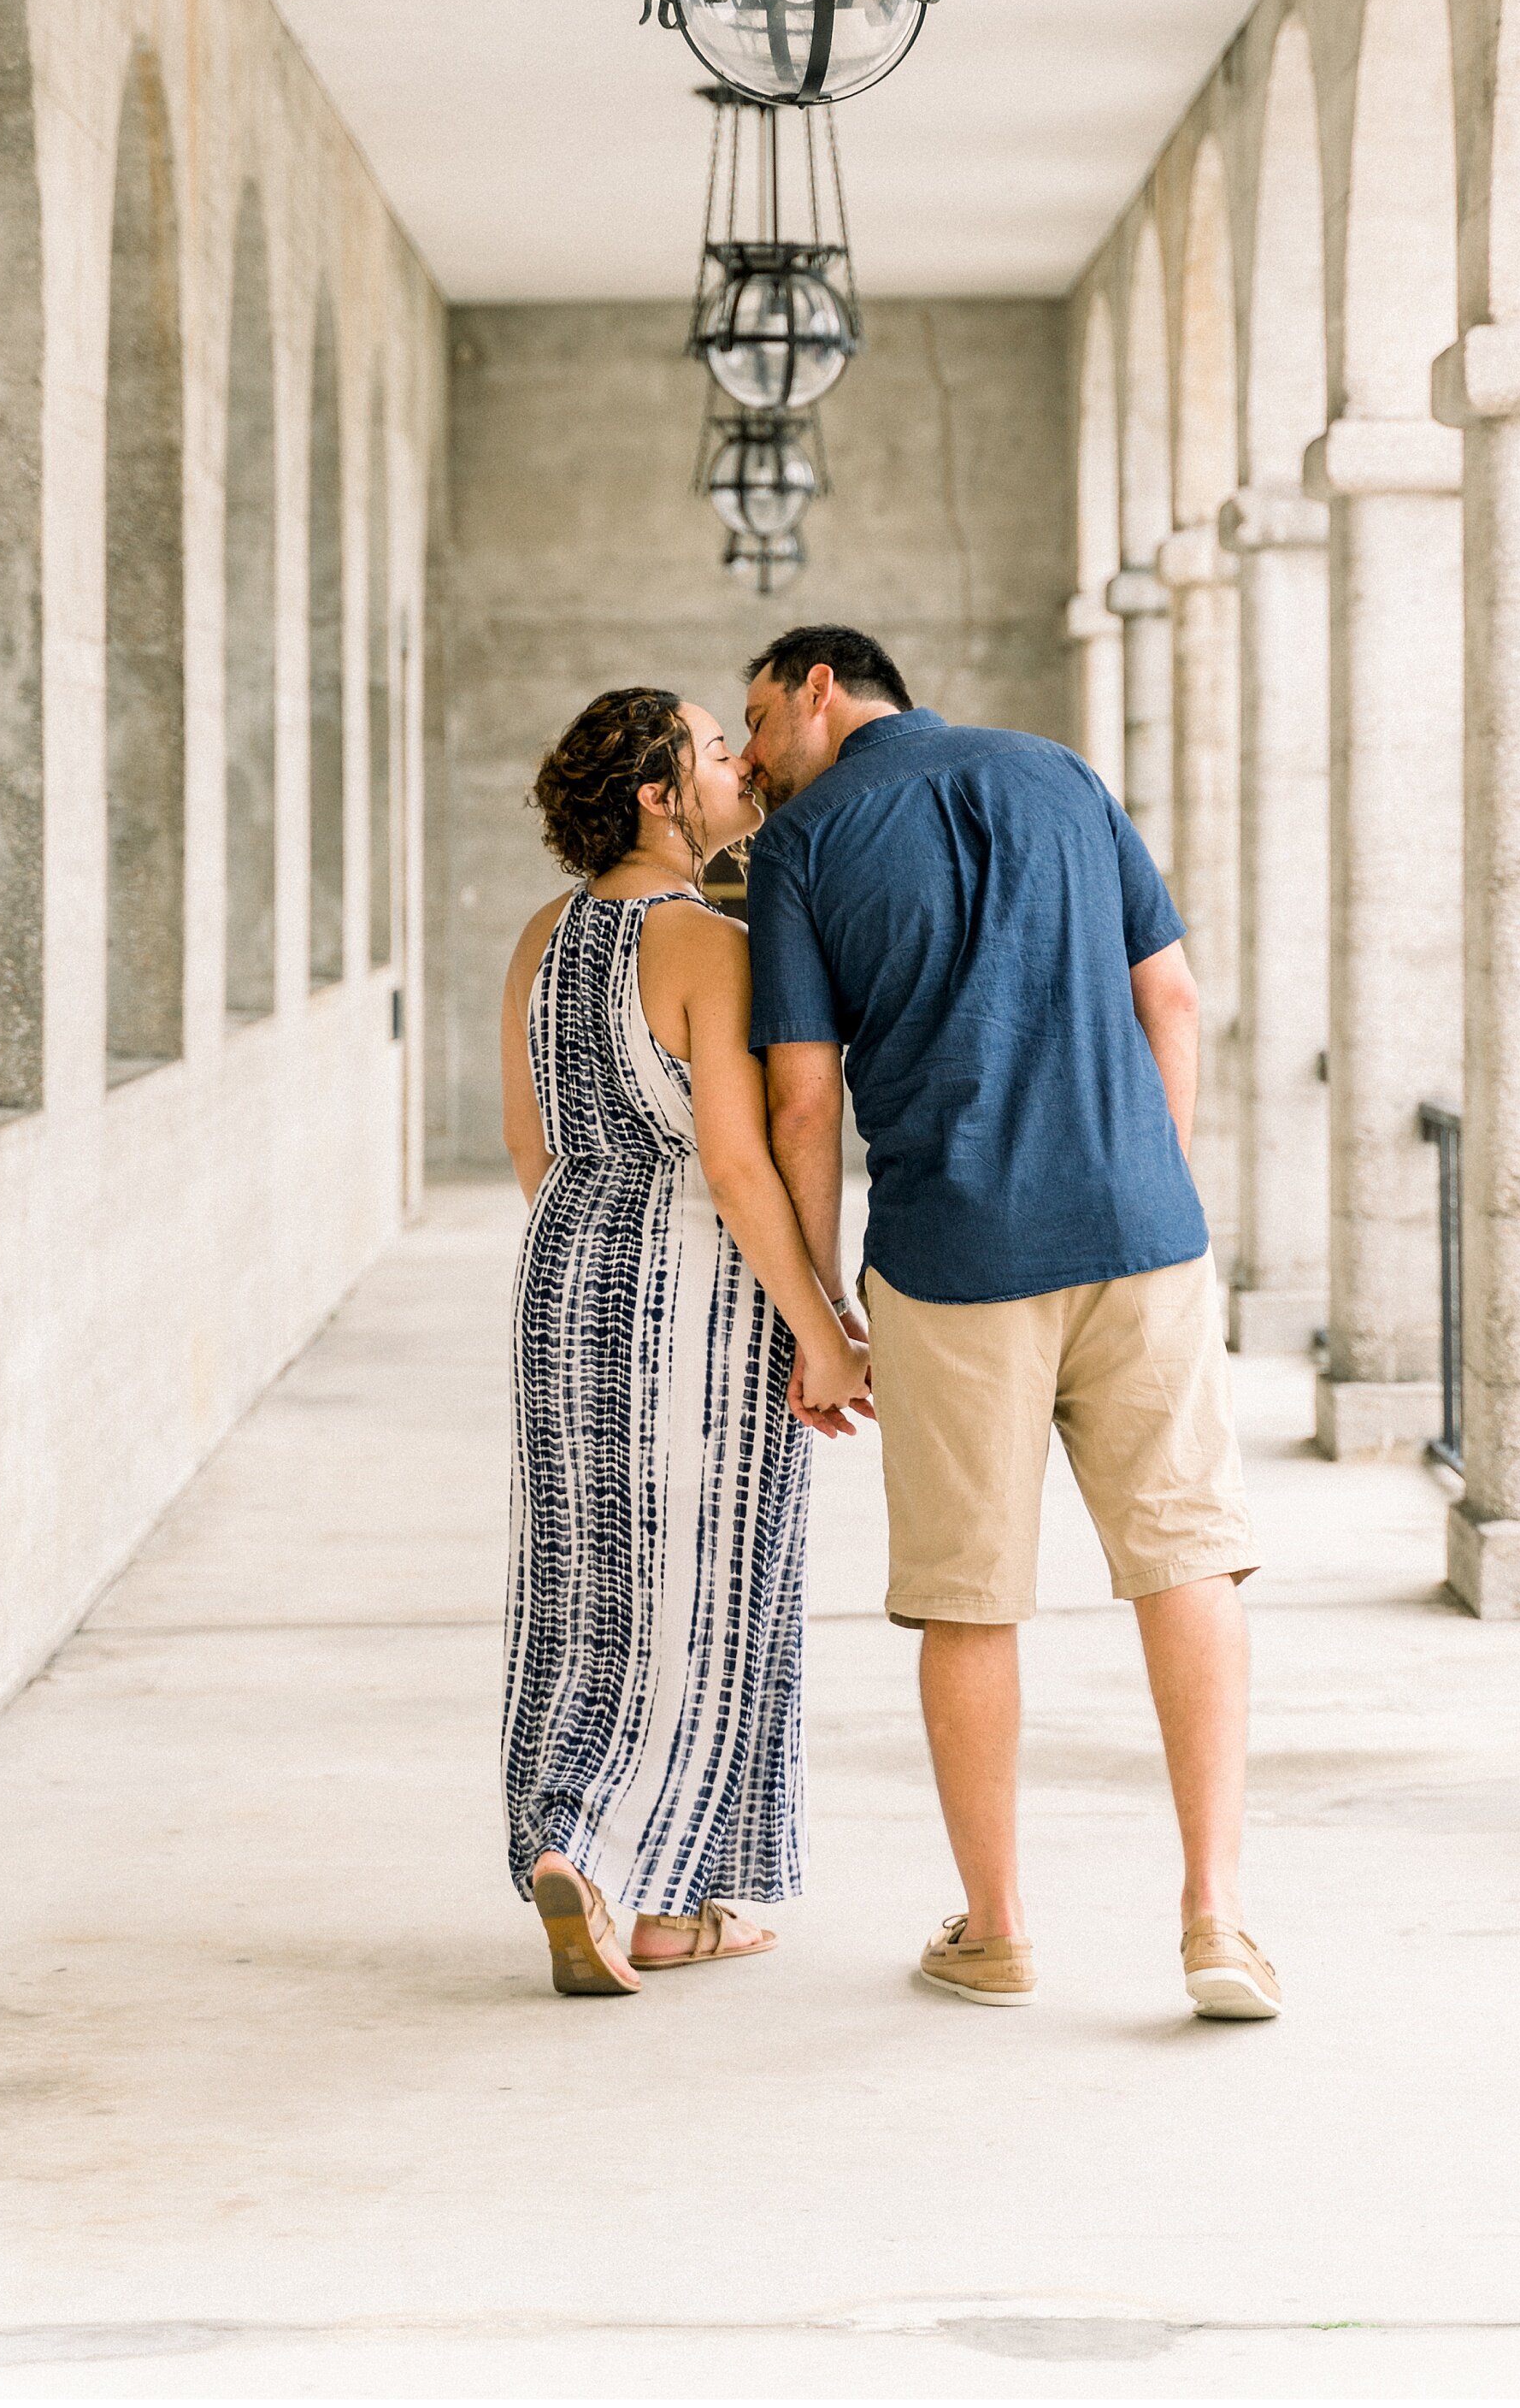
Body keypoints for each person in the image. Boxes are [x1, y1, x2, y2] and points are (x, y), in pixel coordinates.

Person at [739, 626, 1279, 2022]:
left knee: (969, 1597)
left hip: (953, 1249)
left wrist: (820, 1309)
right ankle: (1216, 1916)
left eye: (756, 721)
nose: (746, 759)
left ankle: (997, 1930)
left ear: (822, 689)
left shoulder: (803, 848)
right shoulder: (1062, 773)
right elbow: (1173, 994)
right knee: (1189, 1562)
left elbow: (801, 1100)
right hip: (1138, 1231)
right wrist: (1147, 1173)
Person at [498, 688, 869, 1998]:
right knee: (702, 1582)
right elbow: (736, 1158)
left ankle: (574, 1839)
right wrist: (820, 1328)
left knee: (583, 1576)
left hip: (564, 1270)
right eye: (717, 750)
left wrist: (587, 1244)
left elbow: (528, 1142)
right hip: (696, 1284)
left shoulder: (543, 938)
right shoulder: (710, 943)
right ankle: (623, 1871)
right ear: (661, 793)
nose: (739, 766)